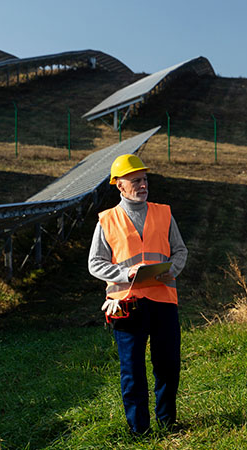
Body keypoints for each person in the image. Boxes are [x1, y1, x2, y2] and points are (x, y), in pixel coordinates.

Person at [87, 154, 188, 435]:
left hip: (163, 301)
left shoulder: (163, 213)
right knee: (132, 370)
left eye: (144, 179)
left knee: (168, 365)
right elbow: (95, 264)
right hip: (126, 305)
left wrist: (173, 270)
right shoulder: (107, 220)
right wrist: (126, 274)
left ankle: (168, 423)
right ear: (119, 185)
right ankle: (139, 429)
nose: (143, 185)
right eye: (135, 180)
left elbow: (180, 250)